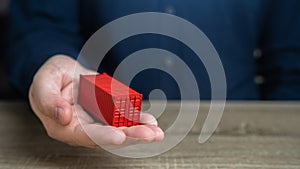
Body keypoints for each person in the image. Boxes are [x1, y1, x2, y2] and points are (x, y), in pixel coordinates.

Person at [8, 0, 300, 148]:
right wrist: (52, 63)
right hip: (97, 141)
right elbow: (40, 26)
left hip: (243, 137)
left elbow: (291, 63)